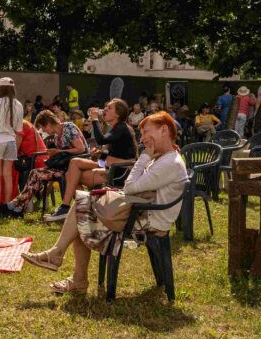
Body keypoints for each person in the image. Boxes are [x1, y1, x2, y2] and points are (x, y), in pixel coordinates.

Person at [21, 111, 188, 294]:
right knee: (82, 208)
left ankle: (65, 265)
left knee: (81, 209)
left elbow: (130, 186)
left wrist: (145, 157)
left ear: (164, 130)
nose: (143, 138)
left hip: (146, 221)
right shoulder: (166, 158)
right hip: (142, 213)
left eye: (146, 132)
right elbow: (136, 188)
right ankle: (67, 267)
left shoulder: (167, 162)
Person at [47, 99, 138, 222]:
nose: (105, 109)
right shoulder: (117, 128)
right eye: (105, 107)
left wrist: (94, 119)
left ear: (118, 114)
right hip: (111, 167)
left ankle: (73, 209)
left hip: (119, 173)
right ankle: (78, 209)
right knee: (74, 165)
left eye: (109, 108)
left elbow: (101, 140)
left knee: (72, 175)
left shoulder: (121, 128)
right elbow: (115, 153)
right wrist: (100, 155)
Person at [7, 110, 85, 217]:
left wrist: (58, 152)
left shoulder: (68, 127)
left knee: (36, 173)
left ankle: (17, 205)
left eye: (43, 128)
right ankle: (18, 206)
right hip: (65, 167)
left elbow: (81, 149)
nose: (43, 130)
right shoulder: (57, 136)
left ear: (48, 124)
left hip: (75, 167)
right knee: (34, 172)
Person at [0, 78, 25, 217]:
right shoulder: (18, 104)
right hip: (11, 141)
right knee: (8, 175)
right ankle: (7, 205)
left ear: (0, 89)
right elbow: (19, 128)